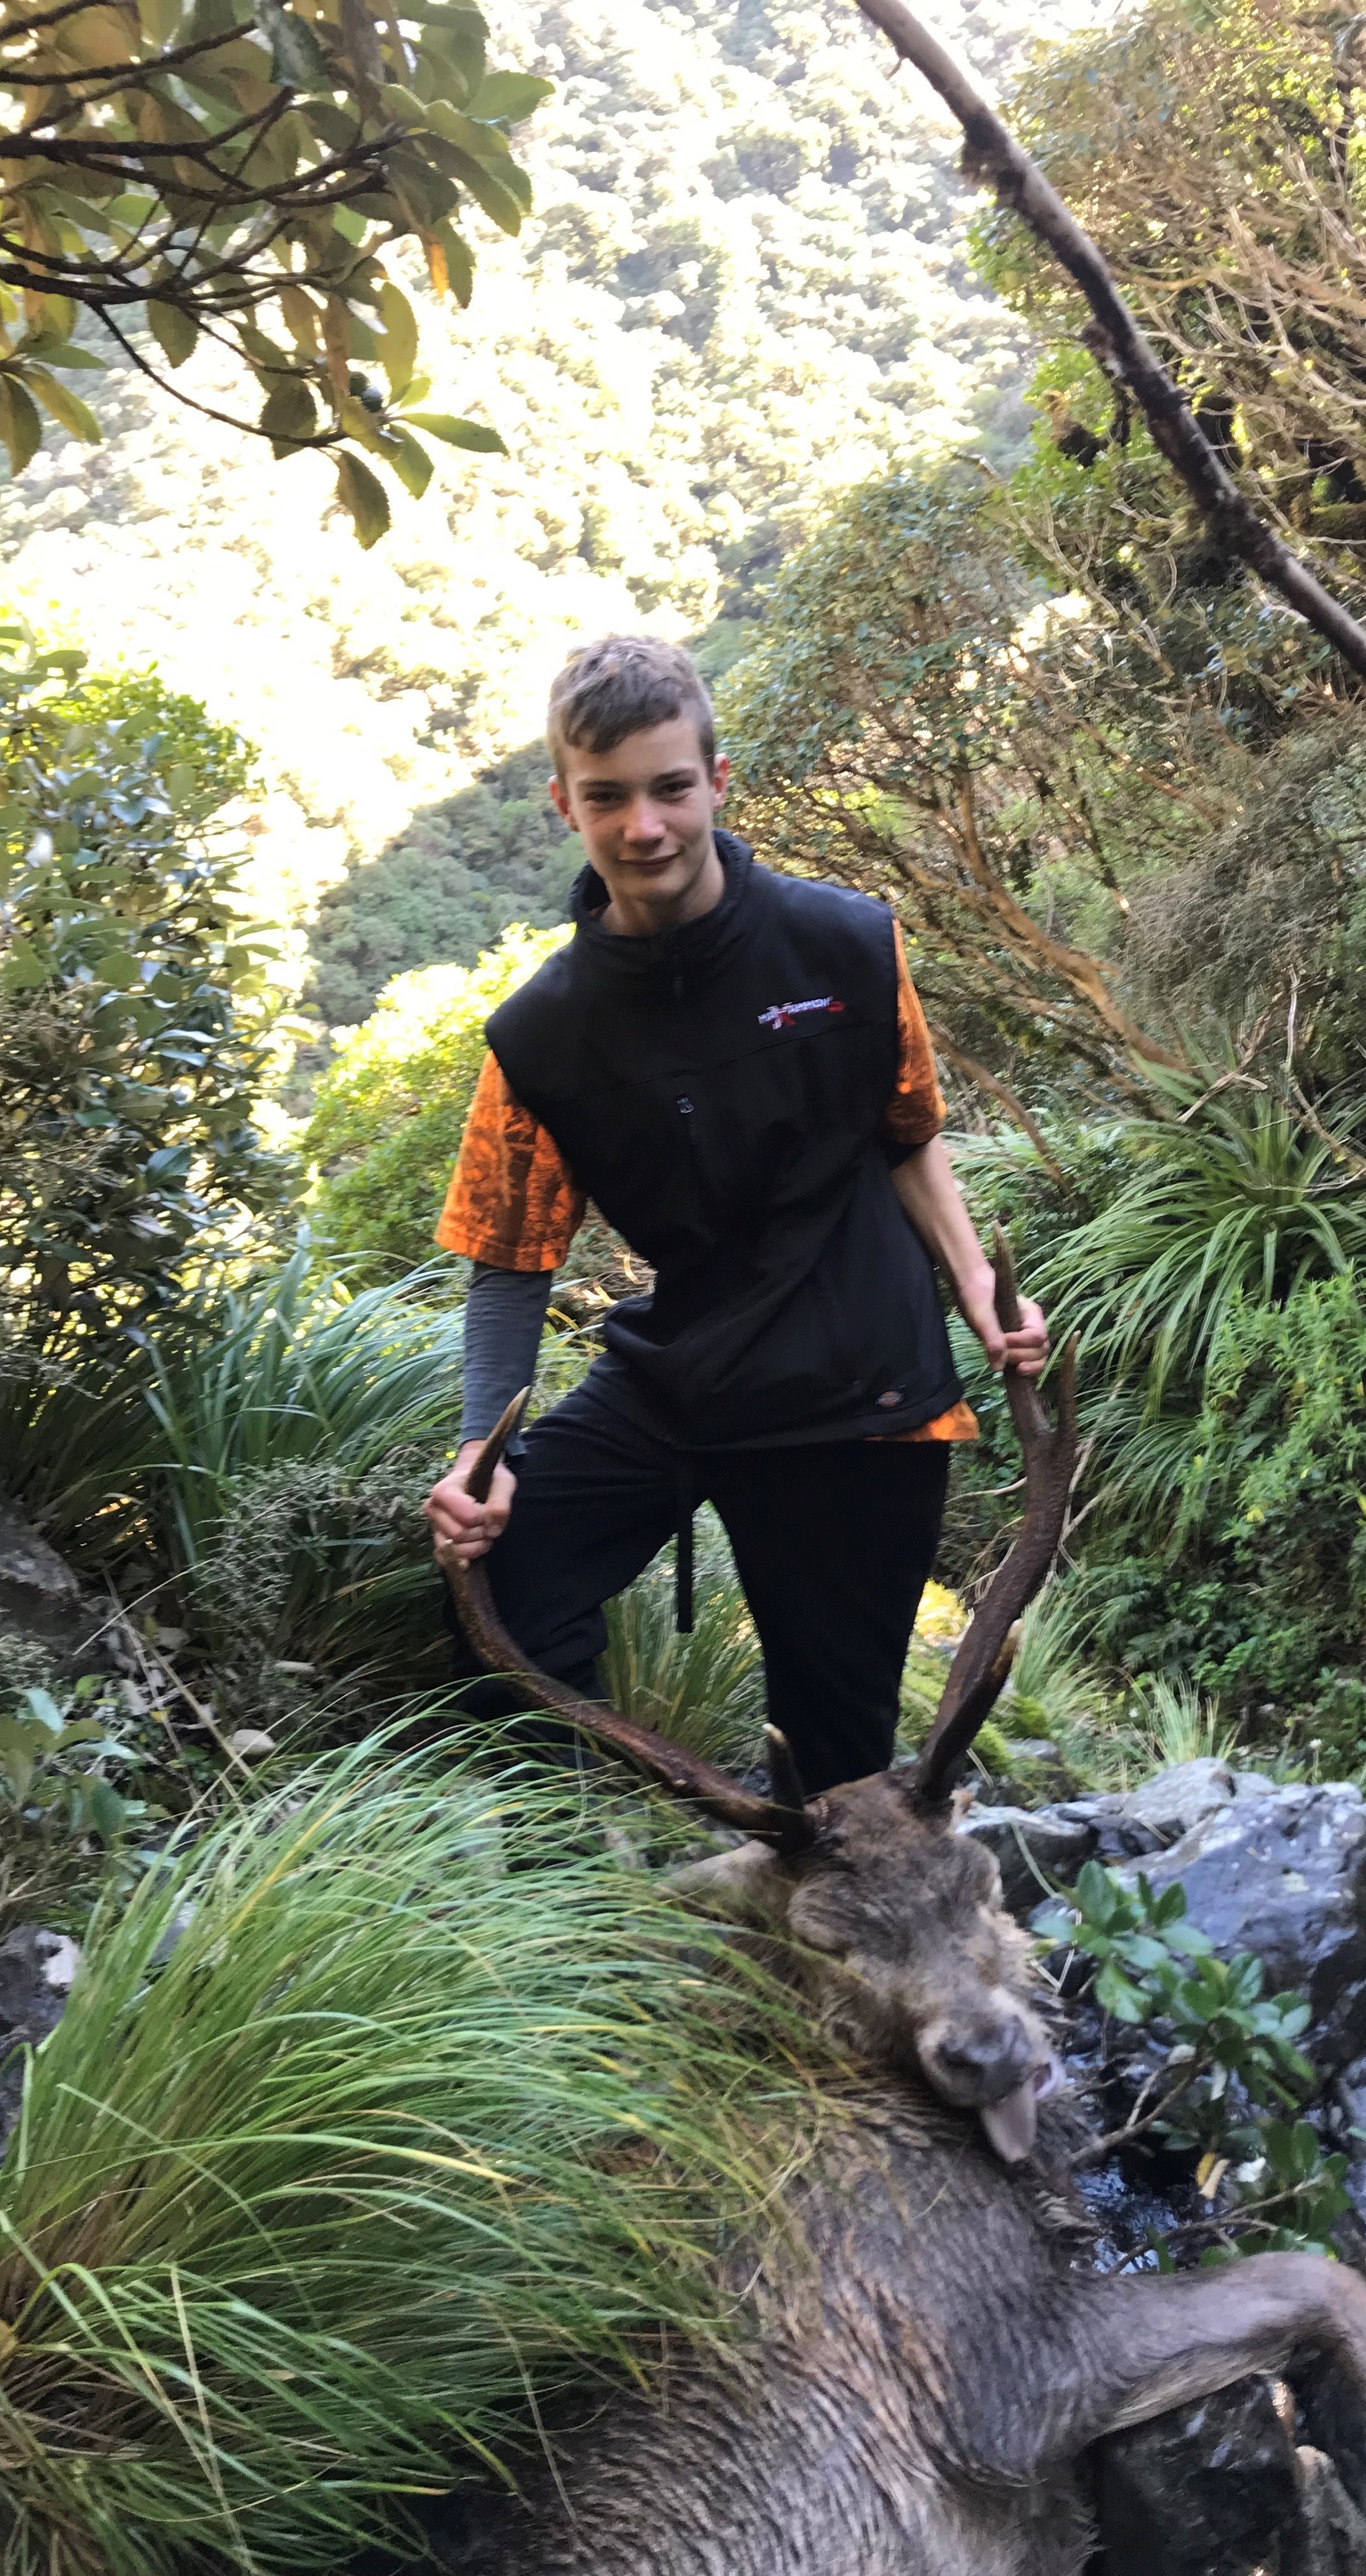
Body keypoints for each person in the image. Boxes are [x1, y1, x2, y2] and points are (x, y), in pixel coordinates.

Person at [422, 634, 1048, 1794]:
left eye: (669, 788)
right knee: (504, 1582)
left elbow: (905, 1131)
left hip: (858, 1390)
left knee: (835, 1763)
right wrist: (481, 1456)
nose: (644, 827)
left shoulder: (846, 945)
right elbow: (511, 1260)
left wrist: (973, 1283)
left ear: (717, 777)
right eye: (607, 798)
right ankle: (591, 1883)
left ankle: (829, 1954)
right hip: (685, 1372)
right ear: (565, 804)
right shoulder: (542, 1032)